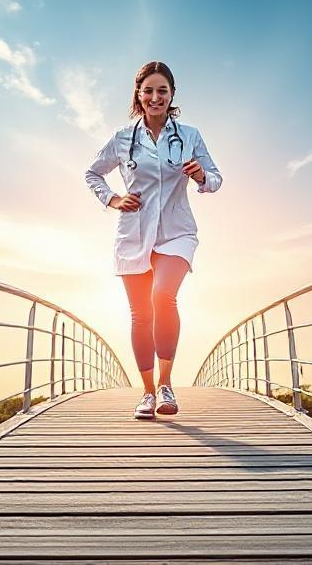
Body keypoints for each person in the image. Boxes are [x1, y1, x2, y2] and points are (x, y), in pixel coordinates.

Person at [84, 61, 223, 419]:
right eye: (149, 90)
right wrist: (113, 198)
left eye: (162, 90)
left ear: (172, 95)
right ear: (139, 95)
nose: (155, 97)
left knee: (163, 295)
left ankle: (165, 384)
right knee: (140, 314)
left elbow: (216, 179)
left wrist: (200, 175)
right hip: (134, 233)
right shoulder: (122, 138)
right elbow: (92, 174)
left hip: (177, 231)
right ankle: (147, 393)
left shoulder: (189, 135)